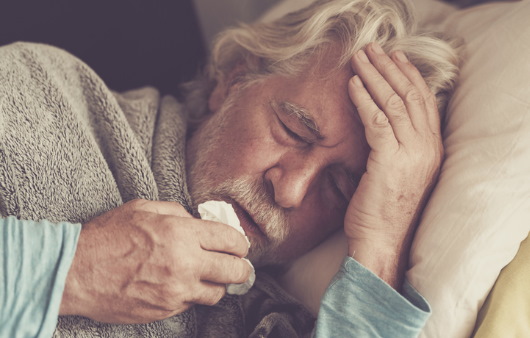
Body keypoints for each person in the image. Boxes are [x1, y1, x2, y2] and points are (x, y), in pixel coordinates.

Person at [0, 0, 460, 336]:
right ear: (233, 81)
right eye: (294, 131)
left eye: (338, 188)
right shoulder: (37, 95)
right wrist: (77, 269)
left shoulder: (267, 322)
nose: (292, 191)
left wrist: (382, 247)